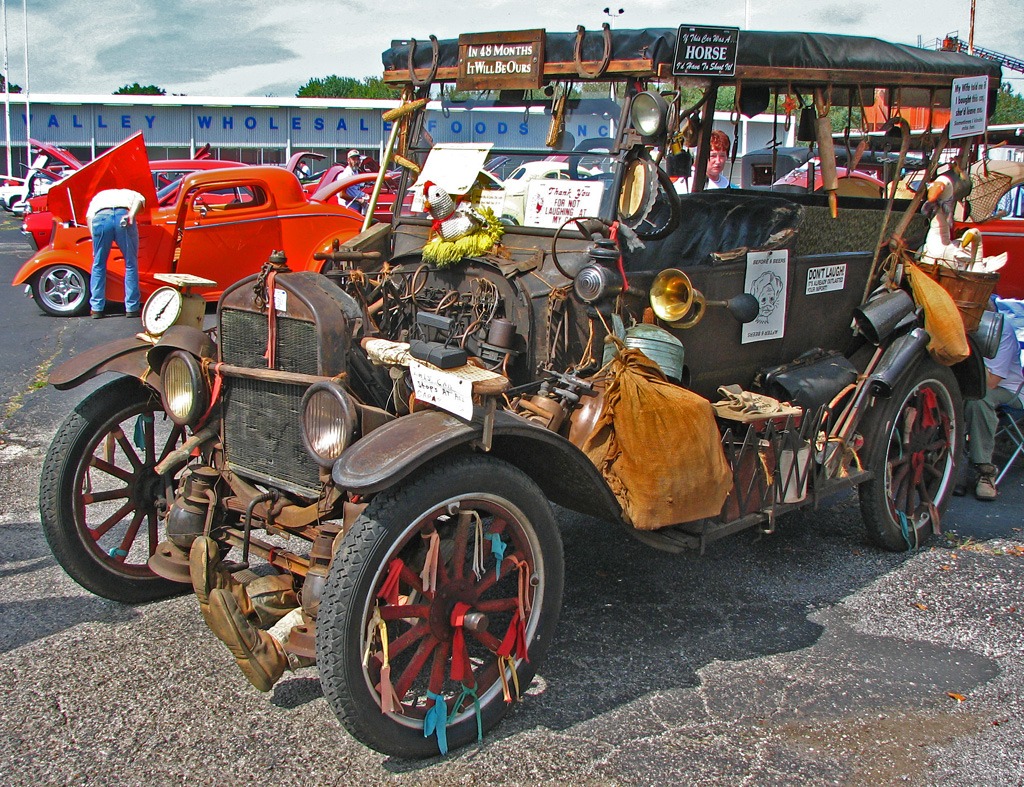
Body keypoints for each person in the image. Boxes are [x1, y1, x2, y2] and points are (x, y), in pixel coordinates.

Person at [964, 305, 1024, 500]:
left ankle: (985, 471)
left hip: (1008, 391)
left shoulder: (1000, 328)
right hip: (970, 383)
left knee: (979, 399)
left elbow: (991, 382)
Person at [86, 188, 146, 318]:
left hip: (100, 219)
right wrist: (131, 215)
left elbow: (90, 217)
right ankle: (131, 307)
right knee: (130, 263)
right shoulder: (131, 193)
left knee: (98, 264)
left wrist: (94, 242)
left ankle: (96, 308)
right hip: (122, 216)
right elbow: (140, 200)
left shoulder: (99, 196)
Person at [672, 129, 731, 194]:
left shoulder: (726, 184)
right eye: (713, 156)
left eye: (722, 156)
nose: (718, 161)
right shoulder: (687, 182)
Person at [340, 148, 367, 213]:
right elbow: (342, 195)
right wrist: (358, 200)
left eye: (358, 159)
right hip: (348, 208)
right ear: (348, 160)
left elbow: (354, 189)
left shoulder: (355, 171)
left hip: (355, 207)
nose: (356, 161)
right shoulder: (347, 174)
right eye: (353, 159)